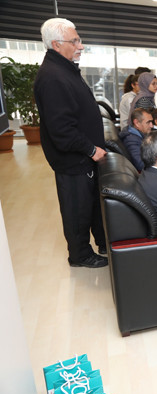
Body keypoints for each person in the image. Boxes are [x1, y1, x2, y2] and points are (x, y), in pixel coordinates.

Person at [33, 17, 108, 268]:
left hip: (82, 156)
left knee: (89, 205)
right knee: (77, 209)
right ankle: (80, 255)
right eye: (74, 41)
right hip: (74, 158)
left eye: (79, 40)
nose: (80, 46)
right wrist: (91, 149)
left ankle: (102, 243)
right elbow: (61, 129)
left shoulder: (64, 69)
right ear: (56, 44)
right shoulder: (53, 77)